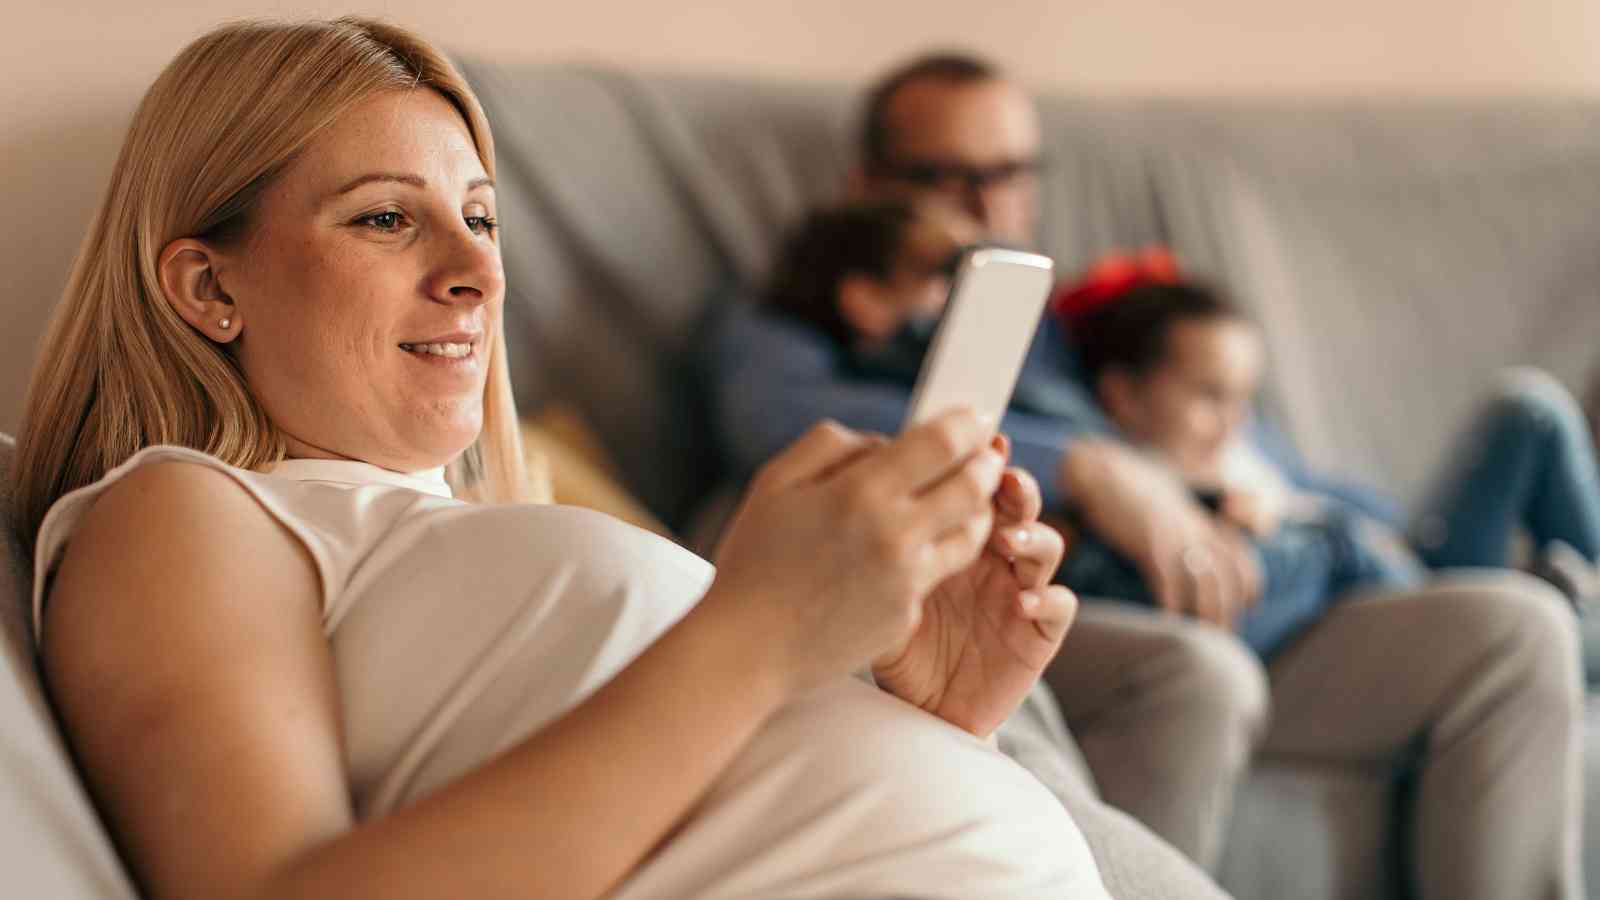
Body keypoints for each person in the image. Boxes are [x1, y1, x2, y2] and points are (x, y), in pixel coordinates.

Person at [8, 20, 1122, 900]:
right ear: (209, 289)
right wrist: (762, 632)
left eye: (482, 219)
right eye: (385, 220)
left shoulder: (460, 536)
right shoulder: (179, 511)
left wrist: (927, 713)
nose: (475, 273)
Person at [702, 52, 1585, 896]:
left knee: (1518, 630)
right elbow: (777, 426)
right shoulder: (799, 310)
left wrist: (1303, 514)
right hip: (1046, 601)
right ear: (868, 183)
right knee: (1199, 673)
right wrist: (1090, 467)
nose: (987, 203)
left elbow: (1282, 466)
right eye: (948, 175)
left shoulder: (1084, 326)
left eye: (1010, 173)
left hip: (1241, 589)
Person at [1055, 251, 1600, 662]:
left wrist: (1313, 508)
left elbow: (1363, 504)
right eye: (1210, 395)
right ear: (1123, 394)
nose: (1233, 421)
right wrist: (1251, 520)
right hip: (1389, 602)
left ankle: (1570, 604)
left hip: (1410, 563)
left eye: (1245, 398)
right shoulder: (1138, 484)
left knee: (1529, 408)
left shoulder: (1244, 448)